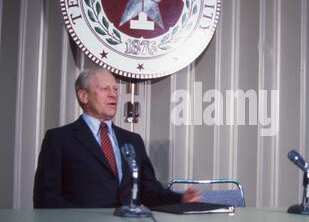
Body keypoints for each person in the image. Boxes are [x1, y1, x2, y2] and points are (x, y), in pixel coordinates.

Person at [33, 69, 200, 208]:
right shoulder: (59, 139)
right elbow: (45, 198)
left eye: (115, 89)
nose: (113, 95)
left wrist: (180, 199)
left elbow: (149, 192)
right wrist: (83, 220)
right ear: (83, 96)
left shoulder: (133, 140)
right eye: (105, 89)